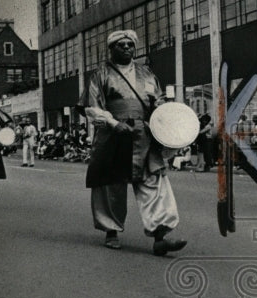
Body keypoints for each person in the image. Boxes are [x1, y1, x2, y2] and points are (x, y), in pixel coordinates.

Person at [78, 29, 187, 255]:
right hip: (114, 134)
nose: (127, 48)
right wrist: (113, 123)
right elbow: (91, 106)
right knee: (111, 185)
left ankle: (160, 236)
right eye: (121, 45)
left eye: (130, 45)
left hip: (143, 135)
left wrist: (164, 115)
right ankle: (111, 230)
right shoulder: (101, 74)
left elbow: (158, 102)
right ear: (111, 49)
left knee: (154, 182)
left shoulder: (147, 74)